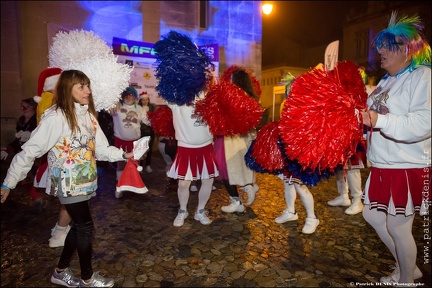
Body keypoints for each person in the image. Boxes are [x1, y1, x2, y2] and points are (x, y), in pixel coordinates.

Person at [1, 70, 134, 287]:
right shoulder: (56, 117)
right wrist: (9, 182)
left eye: (88, 86)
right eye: (81, 86)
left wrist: (123, 154)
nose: (88, 91)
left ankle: (60, 271)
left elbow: (101, 149)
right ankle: (87, 278)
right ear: (67, 89)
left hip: (86, 182)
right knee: (86, 227)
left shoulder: (89, 117)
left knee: (78, 227)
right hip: (67, 182)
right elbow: (30, 151)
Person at [360, 12, 430, 285]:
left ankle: (406, 280)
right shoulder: (386, 81)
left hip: (406, 164)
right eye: (380, 46)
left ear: (405, 49)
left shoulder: (422, 77)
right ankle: (407, 268)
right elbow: (373, 113)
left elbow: (425, 122)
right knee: (372, 216)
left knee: (399, 228)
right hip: (383, 163)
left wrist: (380, 120)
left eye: (387, 46)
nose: (380, 52)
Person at [214, 68, 260, 213]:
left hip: (230, 138)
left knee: (226, 169)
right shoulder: (250, 96)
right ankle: (248, 188)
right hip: (241, 138)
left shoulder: (236, 96)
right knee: (237, 168)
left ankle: (238, 198)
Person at [1, 98, 41, 211]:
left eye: (25, 107)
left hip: (35, 154)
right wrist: (8, 149)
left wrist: (30, 135)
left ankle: (38, 199)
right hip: (23, 153)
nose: (22, 109)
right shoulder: (21, 121)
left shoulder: (38, 120)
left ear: (33, 107)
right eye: (21, 106)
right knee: (23, 178)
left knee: (29, 177)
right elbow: (17, 140)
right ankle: (38, 199)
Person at [110, 86, 150, 198]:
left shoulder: (140, 109)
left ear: (135, 96)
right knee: (120, 165)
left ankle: (135, 186)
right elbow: (105, 108)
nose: (129, 97)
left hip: (135, 142)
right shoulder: (116, 107)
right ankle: (119, 188)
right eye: (126, 95)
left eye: (131, 94)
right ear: (122, 96)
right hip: (120, 141)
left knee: (134, 165)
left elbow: (148, 122)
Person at [138, 92, 155, 173]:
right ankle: (140, 165)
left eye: (146, 100)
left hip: (150, 131)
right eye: (143, 100)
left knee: (149, 148)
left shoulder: (152, 107)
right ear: (140, 101)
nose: (145, 101)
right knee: (141, 149)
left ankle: (148, 165)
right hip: (141, 131)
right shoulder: (138, 108)